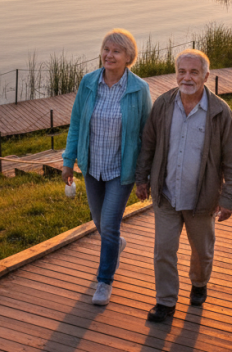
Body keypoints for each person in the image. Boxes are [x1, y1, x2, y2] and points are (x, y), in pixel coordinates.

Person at [134, 49, 232, 323]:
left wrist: (228, 198)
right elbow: (148, 145)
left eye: (194, 72)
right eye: (182, 71)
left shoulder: (220, 111)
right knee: (163, 251)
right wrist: (142, 178)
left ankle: (198, 283)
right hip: (167, 195)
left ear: (206, 76)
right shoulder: (163, 104)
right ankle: (165, 302)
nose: (187, 77)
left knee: (202, 251)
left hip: (202, 199)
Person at [62, 28, 152, 306]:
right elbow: (77, 123)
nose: (109, 55)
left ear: (128, 57)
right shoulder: (89, 82)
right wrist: (69, 161)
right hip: (91, 167)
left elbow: (146, 135)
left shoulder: (139, 89)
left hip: (120, 171)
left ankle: (104, 282)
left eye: (116, 51)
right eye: (106, 49)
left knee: (109, 227)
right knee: (100, 224)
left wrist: (143, 176)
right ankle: (116, 246)